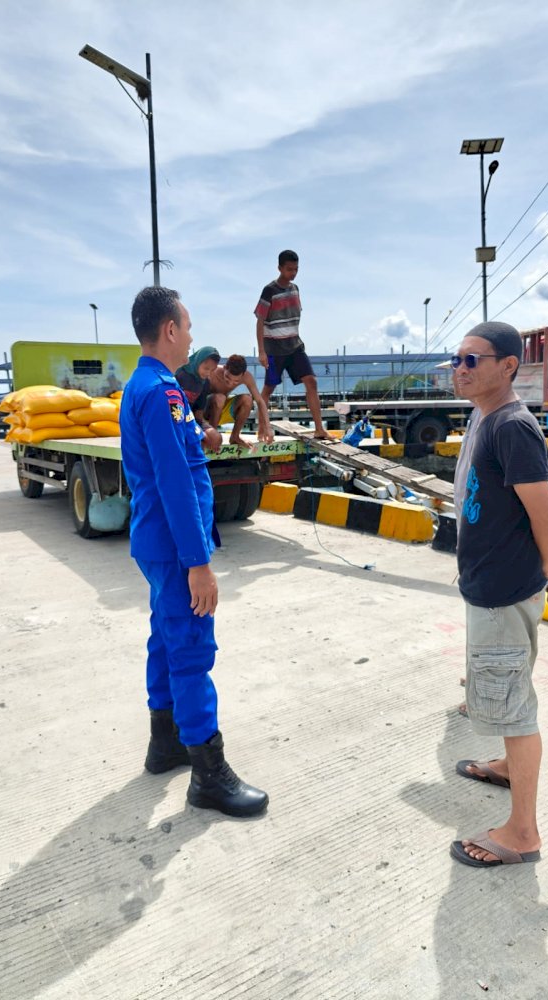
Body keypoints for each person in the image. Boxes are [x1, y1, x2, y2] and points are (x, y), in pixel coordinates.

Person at [120, 286, 268, 818]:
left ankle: (166, 744)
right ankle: (208, 774)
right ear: (169, 330)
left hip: (159, 542)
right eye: (186, 326)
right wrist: (199, 564)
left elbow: (180, 459)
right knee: (190, 648)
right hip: (175, 544)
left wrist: (204, 434)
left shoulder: (154, 386)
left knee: (165, 634)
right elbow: (175, 483)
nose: (190, 335)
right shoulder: (158, 392)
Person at [449, 321, 548, 868]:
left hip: (504, 593)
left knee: (516, 709)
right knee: (506, 690)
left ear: (507, 367)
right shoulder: (483, 417)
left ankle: (523, 834)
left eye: (473, 360)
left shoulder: (512, 429)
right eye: (457, 358)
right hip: (489, 585)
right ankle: (504, 765)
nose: (460, 367)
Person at [254, 249, 334, 440]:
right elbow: (259, 321)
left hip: (295, 346)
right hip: (274, 349)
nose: (293, 273)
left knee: (311, 382)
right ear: (280, 268)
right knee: (268, 389)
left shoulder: (295, 289)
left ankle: (319, 429)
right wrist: (262, 352)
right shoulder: (269, 290)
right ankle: (261, 429)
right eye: (289, 269)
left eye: (296, 269)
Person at [203, 353, 274, 450]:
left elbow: (259, 401)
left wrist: (268, 428)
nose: (231, 383)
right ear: (224, 368)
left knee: (247, 399)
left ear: (243, 374)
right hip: (205, 413)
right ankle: (212, 437)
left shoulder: (247, 377)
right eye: (227, 378)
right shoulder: (212, 373)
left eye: (236, 381)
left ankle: (235, 437)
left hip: (221, 411)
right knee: (220, 398)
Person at [176, 346, 223, 452]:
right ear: (198, 362)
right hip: (176, 419)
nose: (208, 373)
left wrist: (199, 431)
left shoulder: (205, 382)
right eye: (206, 369)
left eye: (212, 370)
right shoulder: (180, 375)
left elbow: (199, 414)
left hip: (191, 419)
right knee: (196, 439)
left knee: (215, 439)